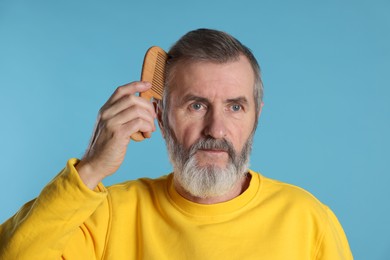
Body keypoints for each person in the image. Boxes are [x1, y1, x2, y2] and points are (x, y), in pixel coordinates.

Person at [0, 28, 353, 259]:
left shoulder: (309, 220)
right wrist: (91, 167)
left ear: (256, 116)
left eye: (235, 106)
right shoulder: (107, 215)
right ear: (159, 113)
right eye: (196, 105)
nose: (216, 129)